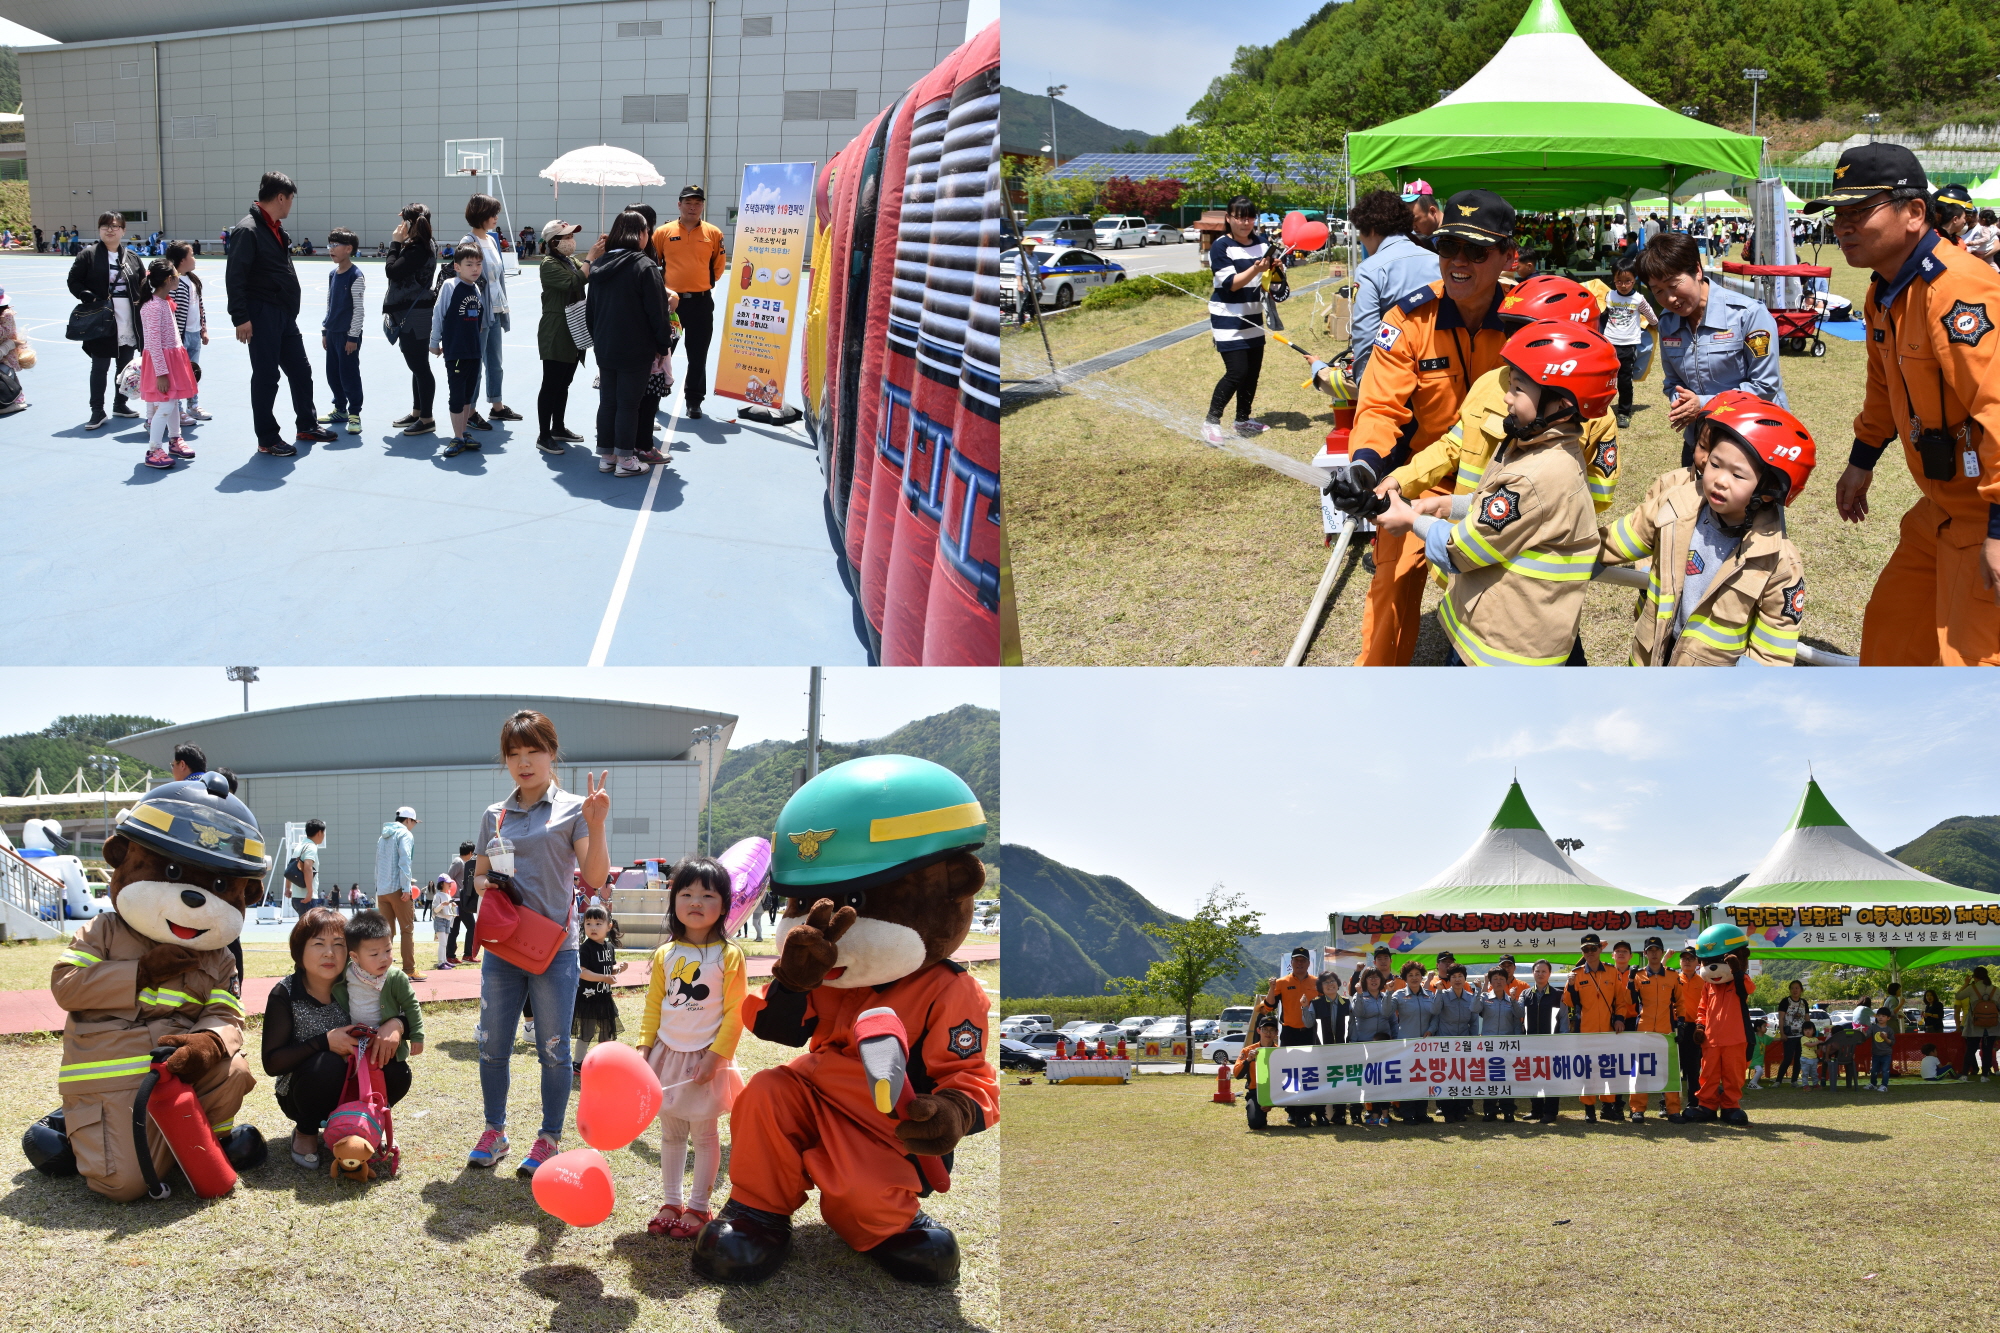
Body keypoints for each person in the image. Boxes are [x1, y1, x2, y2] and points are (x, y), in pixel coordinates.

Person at [1815, 147, 2000, 665]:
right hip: (1940, 509)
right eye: (1838, 214)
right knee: (1890, 641)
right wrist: (1861, 460)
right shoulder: (1884, 291)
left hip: (1984, 514)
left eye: (1859, 211)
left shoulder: (1960, 291)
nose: (1843, 226)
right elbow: (1882, 387)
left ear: (1915, 212)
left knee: (1971, 665)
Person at [1330, 188, 1519, 665]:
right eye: (1448, 246)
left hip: (1506, 481)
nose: (1459, 261)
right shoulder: (1408, 320)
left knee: (1509, 603)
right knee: (1391, 588)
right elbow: (1379, 407)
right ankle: (1379, 688)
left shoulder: (1526, 319)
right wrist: (1364, 467)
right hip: (1421, 478)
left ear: (1507, 256)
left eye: (1477, 251)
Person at [1373, 319, 1613, 666]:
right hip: (1510, 632)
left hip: (1499, 654)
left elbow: (1459, 551)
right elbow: (1514, 512)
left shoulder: (1534, 475)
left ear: (1560, 406)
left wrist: (1411, 522)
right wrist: (1448, 505)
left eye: (1518, 389)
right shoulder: (1552, 448)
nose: (1506, 397)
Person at [468, 709, 611, 1177]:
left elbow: (594, 878)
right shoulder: (495, 814)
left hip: (556, 951)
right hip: (503, 947)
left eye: (534, 751)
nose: (524, 762)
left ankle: (549, 1137)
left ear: (552, 754)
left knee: (553, 1048)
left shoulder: (574, 809)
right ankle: (495, 1131)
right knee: (492, 1045)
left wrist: (597, 824)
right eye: (514, 754)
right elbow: (478, 877)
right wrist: (488, 883)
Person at [1598, 393, 1812, 665]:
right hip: (1649, 657)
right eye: (1715, 464)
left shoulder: (1778, 562)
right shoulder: (1675, 505)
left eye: (1737, 474)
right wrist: (1573, 550)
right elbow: (1622, 538)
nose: (1719, 480)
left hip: (1710, 677)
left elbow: (1772, 650)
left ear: (1768, 489)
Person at [636, 856, 746, 1235]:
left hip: (706, 1058)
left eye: (707, 895)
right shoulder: (665, 954)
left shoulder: (729, 955)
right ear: (674, 901)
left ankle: (699, 1208)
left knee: (704, 1134)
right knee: (670, 1133)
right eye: (686, 893)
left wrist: (715, 1058)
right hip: (666, 1055)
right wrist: (643, 1049)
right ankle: (671, 1202)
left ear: (724, 906)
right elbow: (654, 1006)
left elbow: (736, 1013)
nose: (696, 901)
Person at [262, 907, 414, 1170]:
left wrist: (396, 1024)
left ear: (351, 952)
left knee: (397, 1070)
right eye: (318, 944)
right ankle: (306, 1132)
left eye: (338, 944)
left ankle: (369, 1120)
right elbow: (272, 1063)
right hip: (303, 1090)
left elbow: (410, 1013)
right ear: (299, 950)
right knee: (328, 1064)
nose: (329, 953)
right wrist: (324, 1042)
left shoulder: (364, 979)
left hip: (359, 1080)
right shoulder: (286, 992)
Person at [1636, 232, 1786, 469]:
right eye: (1658, 291)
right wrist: (1682, 404)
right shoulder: (1667, 322)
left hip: (1752, 441)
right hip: (1701, 441)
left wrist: (1704, 404)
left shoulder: (1747, 315)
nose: (1670, 298)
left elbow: (1765, 386)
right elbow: (1672, 382)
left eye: (1673, 285)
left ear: (1697, 270)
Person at [227, 172, 336, 457]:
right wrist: (240, 317)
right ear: (280, 197)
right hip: (261, 313)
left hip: (284, 314)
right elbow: (235, 276)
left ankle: (307, 424)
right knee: (266, 376)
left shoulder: (275, 229)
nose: (291, 204)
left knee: (301, 371)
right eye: (290, 199)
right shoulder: (248, 230)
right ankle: (267, 438)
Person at [586, 209, 676, 478]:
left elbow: (591, 311)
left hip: (605, 345)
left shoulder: (600, 265)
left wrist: (599, 339)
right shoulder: (644, 266)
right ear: (640, 234)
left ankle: (607, 457)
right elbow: (657, 312)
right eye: (647, 231)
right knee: (628, 404)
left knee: (608, 402)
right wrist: (663, 345)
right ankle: (626, 459)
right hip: (636, 347)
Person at [1345, 188, 1439, 387]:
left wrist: (1364, 382)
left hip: (1395, 374)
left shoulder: (1370, 270)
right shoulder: (1438, 261)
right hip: (1440, 370)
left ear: (1371, 230)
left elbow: (1366, 334)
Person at [1201, 196, 1276, 443]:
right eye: (1239, 217)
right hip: (1228, 319)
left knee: (1252, 372)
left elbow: (1267, 279)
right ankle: (1211, 422)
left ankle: (1242, 420)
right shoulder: (1221, 246)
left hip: (1253, 316)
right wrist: (1256, 268)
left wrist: (1275, 269)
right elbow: (1231, 284)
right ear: (1228, 218)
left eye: (1250, 217)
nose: (1245, 223)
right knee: (1236, 372)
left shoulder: (1262, 242)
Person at [67, 211, 149, 430]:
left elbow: (143, 285)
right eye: (105, 226)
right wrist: (86, 295)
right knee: (100, 366)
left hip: (129, 320)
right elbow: (73, 281)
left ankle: (120, 404)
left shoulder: (132, 257)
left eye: (115, 226)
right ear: (99, 229)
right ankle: (97, 410)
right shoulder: (88, 255)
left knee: (125, 366)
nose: (110, 230)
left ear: (123, 230)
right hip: (102, 320)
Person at [654, 184, 728, 420]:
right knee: (663, 351)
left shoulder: (713, 233)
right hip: (670, 304)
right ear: (679, 205)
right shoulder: (663, 232)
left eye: (697, 203)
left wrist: (701, 284)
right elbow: (654, 265)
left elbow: (718, 266)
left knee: (698, 355)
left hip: (700, 304)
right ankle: (653, 396)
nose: (693, 207)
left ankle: (694, 401)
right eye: (688, 202)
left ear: (703, 206)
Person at [449, 194, 521, 431]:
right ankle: (470, 411)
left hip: (496, 309)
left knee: (495, 362)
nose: (496, 217)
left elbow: (498, 278)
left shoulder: (491, 239)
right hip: (477, 314)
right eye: (493, 213)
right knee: (475, 365)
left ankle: (497, 406)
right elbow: (464, 280)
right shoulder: (468, 241)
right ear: (481, 214)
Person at [535, 218, 600, 454]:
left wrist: (601, 253)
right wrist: (590, 257)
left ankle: (558, 427)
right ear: (553, 242)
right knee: (551, 384)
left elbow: (590, 272)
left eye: (572, 236)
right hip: (557, 329)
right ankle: (544, 435)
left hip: (573, 327)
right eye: (567, 237)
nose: (571, 241)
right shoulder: (548, 264)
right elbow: (574, 282)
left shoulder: (570, 261)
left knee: (564, 383)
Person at [382, 203, 441, 436]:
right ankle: (418, 412)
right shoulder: (424, 244)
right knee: (417, 366)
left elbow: (392, 271)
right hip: (415, 311)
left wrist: (395, 243)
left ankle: (427, 418)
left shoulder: (418, 247)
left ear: (408, 223)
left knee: (420, 367)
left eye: (402, 221)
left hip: (414, 314)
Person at [135, 259, 197, 470]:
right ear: (169, 279)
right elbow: (153, 343)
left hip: (172, 359)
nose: (178, 278)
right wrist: (161, 373)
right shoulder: (153, 307)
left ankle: (175, 439)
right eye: (176, 276)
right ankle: (153, 449)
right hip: (162, 363)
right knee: (166, 405)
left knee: (173, 401)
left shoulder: (163, 302)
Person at [1563, 933, 1634, 1122]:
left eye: (1593, 948)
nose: (1590, 952)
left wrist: (1620, 1019)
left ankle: (1607, 1107)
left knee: (1608, 1069)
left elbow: (1621, 1001)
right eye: (1586, 949)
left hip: (1608, 1031)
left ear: (1600, 949)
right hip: (1586, 1030)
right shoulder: (1576, 974)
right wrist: (1570, 985)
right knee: (1588, 1071)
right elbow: (1568, 1001)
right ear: (1582, 952)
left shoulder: (1612, 971)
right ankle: (1589, 1109)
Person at [430, 245, 489, 457]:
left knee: (467, 395)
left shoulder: (476, 289)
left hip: (473, 351)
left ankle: (463, 433)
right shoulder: (450, 286)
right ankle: (457, 437)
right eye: (469, 264)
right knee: (457, 395)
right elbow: (439, 314)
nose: (475, 269)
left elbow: (477, 320)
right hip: (456, 352)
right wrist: (434, 341)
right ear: (457, 267)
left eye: (478, 264)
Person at [1626, 937, 1682, 1122]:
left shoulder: (1673, 975)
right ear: (1645, 953)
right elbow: (1629, 1001)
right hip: (1644, 1029)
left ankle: (1673, 1110)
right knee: (1640, 1070)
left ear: (1662, 952)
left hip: (1666, 1030)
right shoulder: (1639, 975)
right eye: (1650, 950)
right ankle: (1637, 1109)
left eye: (1657, 950)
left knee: (1669, 1071)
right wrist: (1630, 980)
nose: (1654, 953)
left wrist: (1681, 1023)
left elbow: (1680, 1002)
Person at [319, 227, 366, 434]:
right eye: (329, 245)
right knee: (333, 374)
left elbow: (358, 310)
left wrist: (353, 337)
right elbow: (329, 304)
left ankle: (354, 413)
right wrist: (325, 330)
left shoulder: (355, 276)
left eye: (335, 245)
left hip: (348, 335)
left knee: (349, 375)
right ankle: (340, 409)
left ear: (349, 249)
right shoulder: (333, 274)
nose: (331, 249)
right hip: (332, 333)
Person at [1599, 258, 1656, 429]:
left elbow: (1651, 315)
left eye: (1628, 281)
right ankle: (1599, 408)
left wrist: (1656, 325)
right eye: (1619, 281)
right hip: (1609, 344)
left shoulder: (1638, 299)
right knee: (1604, 379)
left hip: (1628, 346)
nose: (1623, 285)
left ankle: (1624, 412)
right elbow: (1601, 313)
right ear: (1613, 279)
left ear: (1634, 279)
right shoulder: (1609, 296)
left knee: (1624, 381)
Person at [372, 805, 424, 978]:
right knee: (407, 930)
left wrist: (378, 888)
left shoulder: (382, 837)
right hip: (398, 889)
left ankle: (382, 970)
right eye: (414, 822)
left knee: (386, 933)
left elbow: (378, 865)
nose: (413, 825)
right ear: (408, 820)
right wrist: (406, 888)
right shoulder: (405, 834)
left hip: (382, 890)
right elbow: (405, 861)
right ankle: (409, 970)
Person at [572, 905, 626, 1071]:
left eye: (598, 923)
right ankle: (578, 1063)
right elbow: (583, 972)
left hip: (604, 998)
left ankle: (604, 1062)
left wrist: (618, 969)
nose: (593, 927)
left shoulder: (609, 947)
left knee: (607, 1032)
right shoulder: (586, 948)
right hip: (588, 999)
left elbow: (608, 969)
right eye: (588, 923)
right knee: (586, 1033)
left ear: (609, 926)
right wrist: (604, 978)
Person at [162, 243, 211, 423]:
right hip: (179, 337)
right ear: (182, 260)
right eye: (192, 255)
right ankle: (178, 410)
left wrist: (203, 329)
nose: (194, 258)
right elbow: (169, 313)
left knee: (193, 372)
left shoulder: (193, 280)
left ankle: (193, 405)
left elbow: (200, 307)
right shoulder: (173, 283)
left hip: (194, 334)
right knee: (177, 374)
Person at [1387, 961, 1435, 1123]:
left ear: (1422, 977)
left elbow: (1436, 1016)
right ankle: (1407, 1114)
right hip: (1406, 1045)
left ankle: (1421, 1113)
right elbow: (1386, 1012)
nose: (1414, 978)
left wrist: (1432, 1029)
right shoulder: (1398, 995)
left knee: (1424, 1077)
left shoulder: (1430, 995)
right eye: (1410, 975)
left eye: (1417, 974)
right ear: (1405, 978)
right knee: (1408, 1079)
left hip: (1426, 1044)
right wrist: (1388, 993)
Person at [1519, 959, 1566, 1124]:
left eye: (1544, 971)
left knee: (1551, 1078)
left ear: (1549, 974)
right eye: (1537, 971)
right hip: (1530, 1043)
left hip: (1552, 1043)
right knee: (1533, 1076)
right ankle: (1536, 1110)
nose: (1540, 974)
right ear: (1533, 973)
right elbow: (1518, 1015)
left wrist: (1563, 1038)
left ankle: (1550, 1112)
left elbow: (1564, 1019)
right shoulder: (1525, 994)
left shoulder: (1558, 994)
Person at [1346, 969, 1394, 1127]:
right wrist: (1359, 994)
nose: (1374, 980)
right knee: (1367, 1079)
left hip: (1384, 1043)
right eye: (1370, 978)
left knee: (1383, 1078)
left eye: (1377, 977)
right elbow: (1358, 1013)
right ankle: (1371, 1112)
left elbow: (1391, 1017)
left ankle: (1385, 1113)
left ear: (1381, 980)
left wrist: (1395, 1038)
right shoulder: (1359, 996)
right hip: (1365, 1043)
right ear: (1364, 981)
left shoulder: (1386, 996)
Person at [1476, 967, 1523, 1122]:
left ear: (1506, 981)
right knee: (1489, 1078)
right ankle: (1490, 1111)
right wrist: (1478, 991)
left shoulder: (1511, 999)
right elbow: (1474, 1009)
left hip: (1507, 1046)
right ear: (1490, 981)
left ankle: (1508, 1111)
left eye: (1501, 979)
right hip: (1488, 1045)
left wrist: (1514, 1000)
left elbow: (1520, 1016)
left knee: (1507, 1078)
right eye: (1495, 979)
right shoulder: (1484, 997)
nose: (1498, 981)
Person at [1263, 947, 1319, 1046]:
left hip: (1310, 1032)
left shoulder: (1317, 982)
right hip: (1289, 1033)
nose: (1299, 963)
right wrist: (1271, 988)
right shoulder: (1281, 982)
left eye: (1303, 960)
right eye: (1296, 960)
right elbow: (1269, 1006)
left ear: (1309, 963)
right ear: (1291, 962)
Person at [1955, 967, 1999, 1081]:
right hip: (1992, 1025)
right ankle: (1984, 1076)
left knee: (1970, 1050)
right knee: (1988, 1050)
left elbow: (1958, 996)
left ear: (1975, 976)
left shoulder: (1972, 988)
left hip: (1975, 1024)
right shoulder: (1995, 989)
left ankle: (1964, 1075)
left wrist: (1966, 983)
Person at [450, 840, 480, 966]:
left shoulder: (464, 863)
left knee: (454, 930)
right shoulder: (458, 862)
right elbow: (448, 878)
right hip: (458, 901)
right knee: (472, 927)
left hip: (459, 900)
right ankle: (468, 954)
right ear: (470, 852)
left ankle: (450, 956)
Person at [1776, 980, 1810, 1085]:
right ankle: (1778, 1080)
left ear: (1801, 990)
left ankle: (1794, 1080)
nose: (1795, 990)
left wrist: (1809, 1033)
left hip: (1801, 1035)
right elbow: (1781, 1018)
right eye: (1792, 988)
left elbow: (1807, 1018)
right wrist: (1782, 1033)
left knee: (1799, 1059)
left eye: (1797, 988)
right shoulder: (1785, 1001)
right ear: (1790, 990)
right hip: (1789, 1035)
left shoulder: (1804, 1002)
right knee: (1788, 1058)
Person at [290, 818, 326, 916]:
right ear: (319, 832)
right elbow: (307, 867)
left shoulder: (299, 846)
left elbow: (291, 868)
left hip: (296, 896)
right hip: (306, 897)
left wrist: (288, 888)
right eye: (323, 833)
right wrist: (310, 892)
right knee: (309, 925)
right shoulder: (311, 847)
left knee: (304, 924)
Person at [432, 879, 459, 970]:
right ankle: (440, 962)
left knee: (445, 943)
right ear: (442, 884)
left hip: (447, 920)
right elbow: (435, 910)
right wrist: (442, 904)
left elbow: (448, 910)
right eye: (447, 882)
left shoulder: (448, 895)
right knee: (442, 943)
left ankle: (444, 961)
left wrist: (453, 906)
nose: (450, 884)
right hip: (440, 920)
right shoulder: (437, 895)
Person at [1866, 1009, 1895, 1091]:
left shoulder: (1889, 1030)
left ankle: (1884, 1085)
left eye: (1883, 1016)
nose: (1880, 1018)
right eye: (1878, 1016)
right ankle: (1873, 1084)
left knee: (1885, 1070)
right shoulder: (1873, 1027)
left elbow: (1892, 1042)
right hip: (1876, 1053)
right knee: (1874, 1070)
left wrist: (1885, 1038)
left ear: (1888, 1018)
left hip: (1886, 1054)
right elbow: (1866, 1036)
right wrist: (1861, 1032)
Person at [1745, 1017, 1775, 1090]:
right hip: (1753, 1059)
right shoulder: (1753, 1037)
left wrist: (1783, 1038)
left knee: (1760, 1071)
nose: (1766, 1028)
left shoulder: (1765, 1037)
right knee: (1760, 1071)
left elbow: (1774, 1039)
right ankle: (1752, 1083)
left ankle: (1752, 1083)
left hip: (1759, 1060)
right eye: (1764, 1026)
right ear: (1758, 1028)